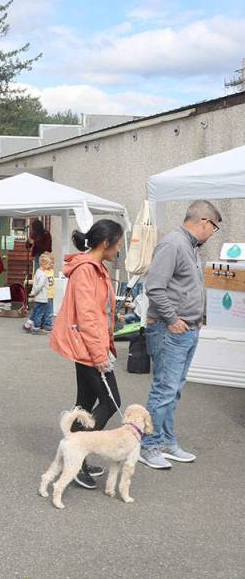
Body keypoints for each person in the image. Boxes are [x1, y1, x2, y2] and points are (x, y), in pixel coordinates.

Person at [139, 200, 222, 470]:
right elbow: (154, 287)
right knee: (164, 390)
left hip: (186, 329)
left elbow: (185, 288)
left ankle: (165, 441)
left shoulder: (190, 246)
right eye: (214, 227)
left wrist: (197, 318)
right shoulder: (173, 244)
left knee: (173, 390)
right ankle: (148, 446)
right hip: (171, 330)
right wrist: (173, 319)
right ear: (204, 222)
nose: (213, 233)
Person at [48, 219, 125, 489]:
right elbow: (87, 317)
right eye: (118, 244)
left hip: (89, 346)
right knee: (111, 401)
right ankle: (77, 457)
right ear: (105, 243)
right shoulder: (86, 270)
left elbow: (96, 311)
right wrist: (100, 355)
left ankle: (74, 456)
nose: (119, 249)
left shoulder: (95, 267)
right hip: (89, 348)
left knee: (83, 404)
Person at [25, 252, 55, 333]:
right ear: (44, 264)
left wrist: (33, 292)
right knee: (41, 312)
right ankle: (38, 327)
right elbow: (39, 285)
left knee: (38, 311)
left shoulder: (39, 272)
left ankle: (29, 324)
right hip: (43, 296)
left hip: (43, 296)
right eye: (49, 264)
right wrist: (33, 293)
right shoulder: (43, 274)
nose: (51, 265)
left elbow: (36, 284)